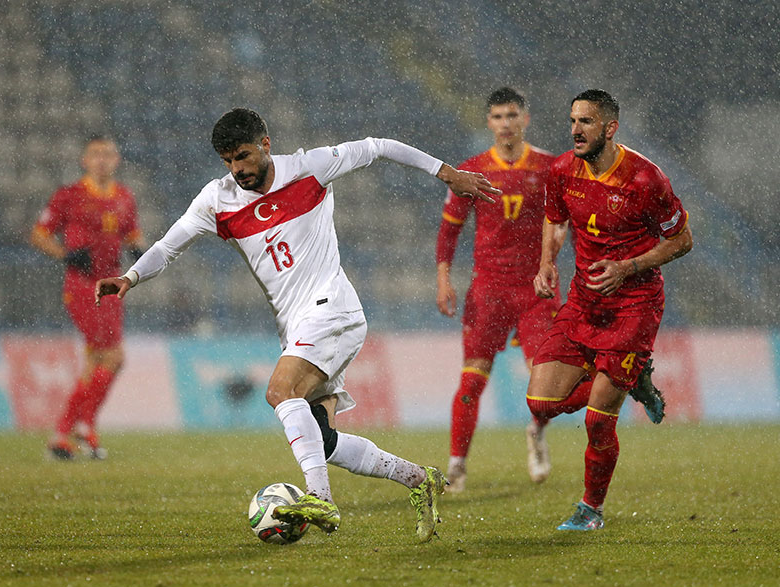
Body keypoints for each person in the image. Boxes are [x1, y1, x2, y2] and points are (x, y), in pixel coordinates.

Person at [96, 108, 500, 542]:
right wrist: (129, 277)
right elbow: (167, 246)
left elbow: (379, 147)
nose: (238, 169)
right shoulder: (218, 200)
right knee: (322, 441)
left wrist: (446, 173)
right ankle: (420, 479)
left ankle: (320, 499)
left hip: (332, 308)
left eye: (244, 156)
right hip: (300, 326)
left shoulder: (310, 167)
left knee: (279, 392)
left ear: (266, 145)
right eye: (229, 161)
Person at [526, 90, 693, 531]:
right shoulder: (561, 170)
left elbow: (682, 240)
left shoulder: (644, 180)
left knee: (599, 420)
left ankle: (590, 509)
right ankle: (630, 377)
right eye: (572, 121)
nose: (575, 130)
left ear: (610, 128)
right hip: (584, 300)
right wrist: (546, 266)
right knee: (540, 402)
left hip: (633, 305)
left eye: (585, 122)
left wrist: (628, 267)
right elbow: (554, 218)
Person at [435, 87, 562, 492]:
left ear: (526, 119)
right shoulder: (471, 171)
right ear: (488, 122)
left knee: (547, 385)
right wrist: (443, 280)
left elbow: (562, 222)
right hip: (488, 291)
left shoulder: (550, 167)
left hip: (536, 291)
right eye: (497, 117)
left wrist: (549, 263)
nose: (505, 124)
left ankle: (536, 434)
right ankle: (456, 465)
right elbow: (449, 231)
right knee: (472, 382)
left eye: (512, 115)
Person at [31, 135, 146, 460]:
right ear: (84, 159)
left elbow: (131, 231)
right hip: (83, 285)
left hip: (113, 285)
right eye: (95, 154)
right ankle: (83, 426)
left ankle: (64, 435)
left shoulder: (125, 196)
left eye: (108, 154)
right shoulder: (69, 195)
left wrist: (138, 247)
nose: (102, 160)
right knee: (113, 357)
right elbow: (39, 234)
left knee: (96, 361)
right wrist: (66, 254)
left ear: (117, 160)